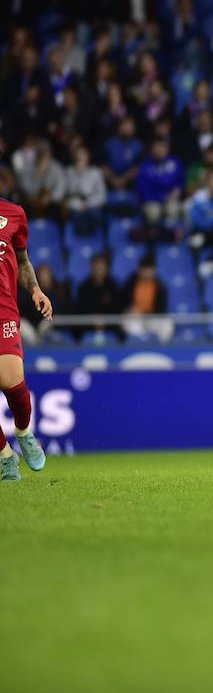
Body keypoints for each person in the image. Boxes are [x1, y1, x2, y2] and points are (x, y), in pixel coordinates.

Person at [0, 195, 53, 481]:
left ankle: (22, 431)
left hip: (3, 310)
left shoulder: (14, 213)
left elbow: (23, 261)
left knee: (13, 383)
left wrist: (35, 290)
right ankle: (5, 456)